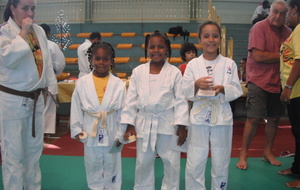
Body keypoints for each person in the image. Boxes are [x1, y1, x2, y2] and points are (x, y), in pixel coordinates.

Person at [120, 30, 189, 190]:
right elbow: (131, 100)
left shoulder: (174, 73)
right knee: (143, 162)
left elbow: (180, 100)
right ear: (147, 49)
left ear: (167, 50)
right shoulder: (138, 72)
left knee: (171, 162)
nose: (156, 50)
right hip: (144, 123)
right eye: (152, 47)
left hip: (168, 123)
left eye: (160, 47)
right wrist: (129, 124)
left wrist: (181, 126)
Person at [0, 0, 56, 189]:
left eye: (33, 8)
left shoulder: (38, 31)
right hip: (12, 102)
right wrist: (22, 33)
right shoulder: (4, 32)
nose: (30, 13)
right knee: (13, 156)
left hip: (35, 99)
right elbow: (8, 59)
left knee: (33, 153)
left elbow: (46, 62)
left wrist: (50, 88)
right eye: (25, 8)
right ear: (12, 8)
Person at [182, 21, 243, 190]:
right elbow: (183, 90)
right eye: (206, 36)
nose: (211, 40)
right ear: (199, 39)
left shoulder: (230, 64)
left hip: (222, 116)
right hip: (199, 117)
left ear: (220, 39)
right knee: (195, 161)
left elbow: (237, 89)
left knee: (221, 161)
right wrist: (196, 84)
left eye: (215, 36)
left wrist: (223, 89)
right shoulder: (193, 65)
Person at [236, 0, 291, 170]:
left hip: (278, 82)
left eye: (282, 13)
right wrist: (282, 54)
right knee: (253, 119)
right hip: (259, 81)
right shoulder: (259, 28)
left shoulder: (288, 32)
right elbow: (258, 56)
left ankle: (267, 153)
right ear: (269, 11)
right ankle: (243, 154)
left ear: (286, 15)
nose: (278, 16)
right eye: (275, 11)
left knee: (274, 119)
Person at [70, 41, 126, 189]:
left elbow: (123, 111)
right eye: (98, 58)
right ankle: (95, 187)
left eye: (105, 59)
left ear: (111, 61)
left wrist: (121, 133)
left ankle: (112, 187)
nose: (101, 62)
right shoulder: (82, 83)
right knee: (92, 163)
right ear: (91, 60)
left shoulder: (118, 84)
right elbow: (76, 107)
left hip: (112, 128)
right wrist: (76, 129)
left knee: (112, 163)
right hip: (90, 129)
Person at [278, 0, 300, 188]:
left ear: (294, 10)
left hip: (298, 90)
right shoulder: (296, 31)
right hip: (295, 92)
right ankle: (297, 168)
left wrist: (289, 86)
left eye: (287, 11)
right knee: (297, 132)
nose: (285, 16)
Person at [40, 23, 66, 136]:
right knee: (48, 108)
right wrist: (55, 71)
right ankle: (46, 132)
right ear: (48, 33)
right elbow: (60, 63)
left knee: (36, 108)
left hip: (34, 81)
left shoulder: (32, 45)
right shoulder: (51, 45)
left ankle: (36, 132)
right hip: (49, 79)